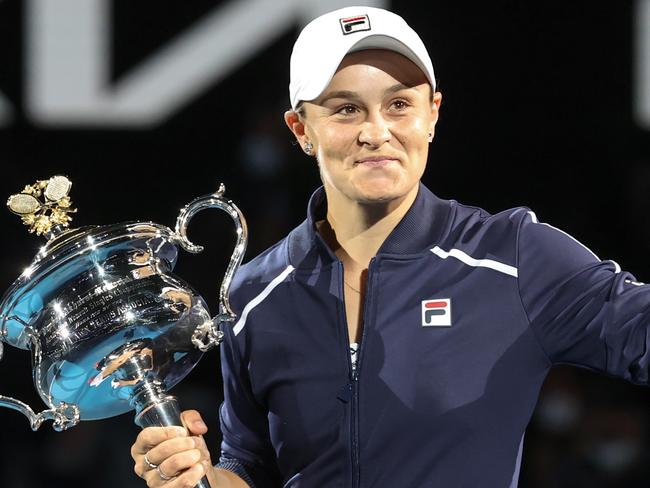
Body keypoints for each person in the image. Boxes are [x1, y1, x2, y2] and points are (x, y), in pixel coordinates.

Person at [130, 6, 650, 488]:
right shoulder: (254, 293)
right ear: (300, 129)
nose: (376, 133)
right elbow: (249, 465)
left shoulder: (512, 257)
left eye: (399, 105)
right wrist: (192, 472)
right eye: (346, 109)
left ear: (433, 114)